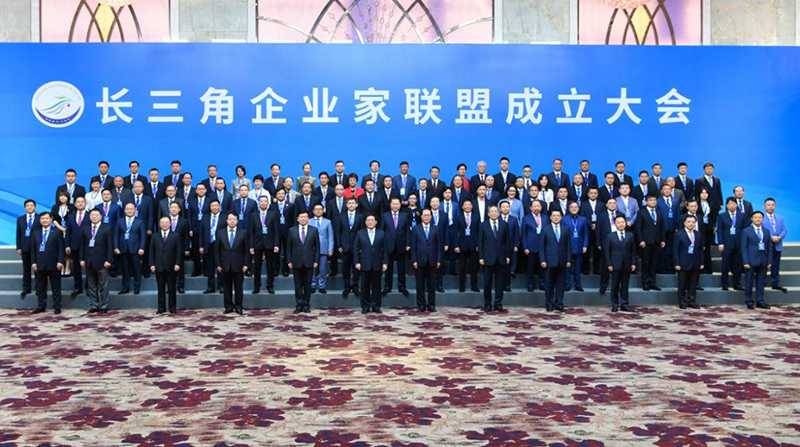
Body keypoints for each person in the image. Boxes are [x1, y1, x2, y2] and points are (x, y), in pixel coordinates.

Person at [215, 213, 251, 315]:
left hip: (239, 264)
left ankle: (239, 306)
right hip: (224, 264)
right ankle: (228, 306)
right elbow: (216, 251)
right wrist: (218, 264)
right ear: (226, 220)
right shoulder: (220, 232)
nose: (232, 221)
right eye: (230, 219)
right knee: (227, 287)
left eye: (234, 219)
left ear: (237, 221)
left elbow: (247, 251)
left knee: (239, 287)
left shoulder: (243, 232)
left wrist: (246, 264)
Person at [81, 209, 114, 314]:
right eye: (92, 215)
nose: (94, 217)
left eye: (96, 215)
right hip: (88, 261)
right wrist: (81, 259)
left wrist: (109, 260)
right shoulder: (85, 228)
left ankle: (104, 306)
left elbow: (110, 246)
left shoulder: (107, 228)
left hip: (102, 261)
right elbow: (82, 245)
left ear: (101, 216)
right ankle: (94, 305)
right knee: (91, 285)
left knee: (103, 285)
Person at [30, 212, 64, 314]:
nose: (44, 220)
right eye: (42, 219)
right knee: (41, 287)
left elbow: (61, 248)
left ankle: (57, 306)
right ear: (40, 220)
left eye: (46, 218)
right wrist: (33, 262)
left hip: (54, 263)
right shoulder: (35, 232)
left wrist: (60, 261)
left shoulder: (57, 232)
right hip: (40, 263)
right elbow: (33, 249)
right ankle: (41, 306)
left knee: (56, 287)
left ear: (51, 220)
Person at [354, 215, 389, 313]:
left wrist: (385, 263)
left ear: (376, 222)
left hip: (377, 263)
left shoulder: (381, 233)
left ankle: (376, 306)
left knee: (377, 286)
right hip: (364, 263)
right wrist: (357, 262)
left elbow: (385, 249)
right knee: (364, 287)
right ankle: (365, 306)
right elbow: (356, 248)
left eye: (372, 220)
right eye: (368, 220)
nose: (370, 222)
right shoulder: (360, 233)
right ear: (365, 222)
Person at [478, 206, 510, 312]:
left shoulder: (504, 225)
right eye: (492, 212)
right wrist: (481, 257)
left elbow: (507, 242)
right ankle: (487, 303)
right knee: (487, 282)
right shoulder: (483, 225)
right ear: (488, 214)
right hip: (488, 257)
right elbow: (480, 242)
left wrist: (507, 256)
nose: (494, 213)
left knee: (500, 282)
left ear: (499, 213)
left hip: (501, 257)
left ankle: (498, 303)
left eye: (496, 211)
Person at [286, 211, 319, 313]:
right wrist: (289, 261)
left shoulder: (314, 230)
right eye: (301, 217)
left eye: (305, 217)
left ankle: (306, 305)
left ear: (308, 219)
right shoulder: (292, 230)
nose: (303, 219)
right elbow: (288, 247)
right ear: (297, 219)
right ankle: (299, 305)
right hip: (296, 262)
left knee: (307, 285)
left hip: (309, 261)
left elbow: (317, 247)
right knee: (298, 285)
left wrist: (316, 260)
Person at [410, 209, 442, 312]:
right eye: (425, 215)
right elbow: (413, 246)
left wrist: (438, 260)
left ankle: (431, 304)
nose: (427, 217)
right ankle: (421, 305)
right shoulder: (416, 229)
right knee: (420, 285)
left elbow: (439, 246)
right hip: (419, 260)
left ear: (431, 217)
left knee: (432, 285)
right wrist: (414, 260)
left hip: (432, 260)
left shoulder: (436, 228)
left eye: (428, 215)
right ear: (421, 217)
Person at [604, 215, 637, 312]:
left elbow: (633, 251)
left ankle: (624, 304)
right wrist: (609, 264)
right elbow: (607, 252)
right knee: (615, 285)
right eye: (619, 222)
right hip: (615, 264)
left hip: (627, 264)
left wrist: (633, 263)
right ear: (615, 224)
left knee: (625, 285)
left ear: (625, 223)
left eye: (623, 222)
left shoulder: (630, 235)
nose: (621, 224)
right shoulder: (610, 236)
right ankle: (614, 304)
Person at [150, 216, 182, 314]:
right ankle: (161, 307)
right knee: (160, 289)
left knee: (172, 288)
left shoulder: (175, 235)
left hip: (171, 266)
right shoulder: (155, 236)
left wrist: (177, 263)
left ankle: (172, 307)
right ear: (159, 224)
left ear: (170, 224)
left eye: (166, 222)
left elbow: (179, 251)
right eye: (162, 222)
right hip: (159, 266)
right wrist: (151, 264)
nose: (164, 224)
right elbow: (151, 251)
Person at [741, 211, 773, 310]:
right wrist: (745, 261)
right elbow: (743, 248)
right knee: (749, 282)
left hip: (763, 260)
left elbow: (769, 247)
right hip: (750, 261)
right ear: (752, 219)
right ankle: (749, 301)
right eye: (756, 217)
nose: (758, 219)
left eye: (760, 217)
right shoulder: (746, 231)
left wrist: (769, 260)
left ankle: (760, 301)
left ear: (763, 219)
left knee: (761, 282)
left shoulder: (766, 231)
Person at [541, 209, 571, 312]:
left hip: (562, 260)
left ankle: (559, 303)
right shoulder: (545, 229)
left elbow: (568, 246)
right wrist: (542, 260)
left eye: (558, 215)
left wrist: (568, 260)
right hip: (549, 261)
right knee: (549, 284)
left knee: (560, 284)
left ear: (561, 217)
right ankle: (549, 303)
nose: (556, 217)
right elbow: (542, 246)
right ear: (550, 217)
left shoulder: (565, 229)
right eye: (554, 215)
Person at [380, 198, 411, 296]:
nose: (395, 206)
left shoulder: (404, 215)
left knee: (402, 268)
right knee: (388, 268)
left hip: (401, 245)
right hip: (388, 245)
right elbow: (381, 232)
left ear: (400, 205)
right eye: (393, 204)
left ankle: (402, 287)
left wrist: (408, 244)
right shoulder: (385, 216)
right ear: (390, 205)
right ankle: (387, 287)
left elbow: (407, 231)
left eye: (397, 204)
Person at [634, 195, 665, 291]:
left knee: (654, 263)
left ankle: (652, 283)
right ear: (646, 202)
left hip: (656, 241)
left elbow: (662, 227)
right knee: (646, 263)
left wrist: (663, 239)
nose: (653, 202)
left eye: (654, 200)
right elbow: (638, 228)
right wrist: (640, 240)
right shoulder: (641, 213)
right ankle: (645, 283)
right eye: (651, 200)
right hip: (646, 242)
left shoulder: (659, 212)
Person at [250, 196, 280, 295]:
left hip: (270, 243)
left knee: (270, 266)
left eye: (265, 201)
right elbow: (251, 232)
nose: (263, 203)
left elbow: (276, 230)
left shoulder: (273, 214)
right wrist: (251, 246)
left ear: (268, 203)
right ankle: (256, 286)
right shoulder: (253, 215)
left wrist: (276, 244)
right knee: (257, 266)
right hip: (257, 243)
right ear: (259, 203)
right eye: (261, 201)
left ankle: (270, 286)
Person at [673, 215, 704, 309]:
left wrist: (702, 262)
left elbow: (701, 250)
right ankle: (682, 301)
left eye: (693, 222)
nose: (691, 224)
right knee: (682, 284)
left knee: (693, 284)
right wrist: (677, 263)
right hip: (683, 263)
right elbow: (675, 250)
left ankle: (691, 301)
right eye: (689, 222)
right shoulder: (679, 234)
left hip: (695, 262)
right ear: (684, 223)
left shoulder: (698, 234)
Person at [115, 203, 146, 295]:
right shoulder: (119, 221)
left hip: (135, 248)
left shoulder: (140, 221)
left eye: (131, 209)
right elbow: (116, 235)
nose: (129, 211)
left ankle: (137, 287)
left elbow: (143, 236)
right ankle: (125, 287)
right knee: (125, 270)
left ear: (135, 210)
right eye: (127, 209)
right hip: (123, 248)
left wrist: (142, 247)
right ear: (124, 210)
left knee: (137, 269)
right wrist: (116, 247)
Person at [717, 197, 746, 291]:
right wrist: (720, 243)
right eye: (730, 204)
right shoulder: (722, 216)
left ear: (737, 205)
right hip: (726, 244)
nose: (732, 205)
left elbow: (744, 230)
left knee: (737, 265)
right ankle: (725, 284)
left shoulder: (742, 215)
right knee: (725, 265)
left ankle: (737, 284)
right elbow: (719, 230)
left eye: (734, 204)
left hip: (739, 243)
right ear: (726, 205)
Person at [338, 198, 363, 298]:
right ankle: (347, 287)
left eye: (353, 203)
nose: (351, 205)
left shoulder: (360, 217)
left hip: (357, 246)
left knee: (356, 268)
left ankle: (355, 286)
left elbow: (362, 232)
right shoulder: (341, 216)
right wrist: (339, 245)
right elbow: (338, 232)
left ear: (356, 205)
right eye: (349, 203)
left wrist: (361, 246)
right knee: (346, 268)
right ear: (346, 205)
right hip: (345, 246)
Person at [596, 197, 623, 295]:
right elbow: (598, 230)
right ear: (606, 205)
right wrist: (598, 243)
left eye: (614, 203)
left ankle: (617, 286)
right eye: (610, 203)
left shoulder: (620, 215)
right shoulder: (601, 215)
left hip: (618, 243)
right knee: (605, 266)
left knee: (618, 266)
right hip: (606, 243)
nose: (612, 205)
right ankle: (603, 286)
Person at [454, 200, 480, 293]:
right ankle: (462, 286)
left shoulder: (476, 217)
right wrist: (456, 245)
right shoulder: (458, 217)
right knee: (462, 267)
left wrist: (478, 245)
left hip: (473, 245)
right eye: (466, 205)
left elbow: (479, 232)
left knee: (474, 267)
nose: (467, 206)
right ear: (462, 207)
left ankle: (474, 286)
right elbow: (455, 232)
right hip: (462, 245)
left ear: (472, 206)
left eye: (469, 205)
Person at [521, 199, 548, 292]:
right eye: (534, 206)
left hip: (543, 246)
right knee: (530, 267)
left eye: (538, 206)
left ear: (541, 207)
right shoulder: (526, 218)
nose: (536, 208)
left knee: (542, 267)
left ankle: (542, 284)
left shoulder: (545, 218)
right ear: (531, 208)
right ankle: (530, 284)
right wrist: (525, 247)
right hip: (531, 247)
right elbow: (523, 234)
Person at [64, 196, 88, 298]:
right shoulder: (70, 217)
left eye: (82, 202)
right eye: (78, 202)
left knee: (88, 268)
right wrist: (67, 245)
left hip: (87, 246)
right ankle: (78, 287)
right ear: (75, 204)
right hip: (74, 246)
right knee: (76, 268)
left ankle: (88, 287)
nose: (80, 203)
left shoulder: (90, 215)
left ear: (85, 203)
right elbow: (68, 232)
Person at [16, 200, 40, 298]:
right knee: (26, 269)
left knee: (38, 269)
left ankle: (39, 288)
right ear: (25, 207)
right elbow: (18, 234)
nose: (29, 207)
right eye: (27, 205)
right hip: (25, 247)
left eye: (31, 205)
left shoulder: (40, 218)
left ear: (35, 207)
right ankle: (26, 288)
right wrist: (19, 247)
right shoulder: (20, 219)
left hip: (37, 247)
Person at [763, 198, 788, 293]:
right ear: (764, 206)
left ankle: (775, 283)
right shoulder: (761, 217)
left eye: (772, 205)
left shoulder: (780, 218)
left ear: (775, 206)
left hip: (777, 245)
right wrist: (771, 237)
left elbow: (784, 230)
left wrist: (779, 237)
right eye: (768, 205)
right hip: (765, 246)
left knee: (776, 266)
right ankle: (762, 283)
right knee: (764, 266)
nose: (771, 207)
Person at [579, 187, 604, 275]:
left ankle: (596, 269)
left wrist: (597, 225)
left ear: (597, 194)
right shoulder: (583, 204)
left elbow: (603, 216)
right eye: (591, 193)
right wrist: (591, 224)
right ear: (588, 194)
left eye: (595, 193)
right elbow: (582, 216)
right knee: (586, 251)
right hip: (587, 230)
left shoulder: (601, 204)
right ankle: (585, 269)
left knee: (597, 251)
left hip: (598, 230)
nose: (593, 195)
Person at [188, 183, 211, 277]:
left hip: (207, 228)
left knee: (206, 250)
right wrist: (190, 228)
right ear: (196, 191)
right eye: (199, 189)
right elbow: (189, 215)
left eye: (202, 189)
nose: (201, 190)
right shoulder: (192, 201)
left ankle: (206, 270)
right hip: (195, 228)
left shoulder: (210, 200)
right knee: (195, 250)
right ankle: (197, 270)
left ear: (205, 190)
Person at [564, 201, 589, 292]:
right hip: (567, 246)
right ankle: (567, 284)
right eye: (572, 207)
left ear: (578, 209)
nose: (574, 209)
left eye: (576, 207)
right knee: (567, 267)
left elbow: (586, 234)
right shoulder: (564, 219)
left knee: (578, 268)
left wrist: (585, 245)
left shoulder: (583, 219)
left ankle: (577, 284)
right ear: (569, 209)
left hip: (579, 246)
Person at [200, 200, 222, 294]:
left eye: (216, 206)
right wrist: (201, 245)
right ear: (210, 207)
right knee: (209, 267)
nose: (214, 207)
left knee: (220, 267)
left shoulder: (224, 217)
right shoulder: (205, 217)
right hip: (208, 245)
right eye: (212, 206)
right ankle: (210, 286)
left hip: (220, 246)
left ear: (219, 206)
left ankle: (221, 286)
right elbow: (201, 232)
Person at [167, 202, 190, 294]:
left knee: (180, 268)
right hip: (168, 248)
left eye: (175, 208)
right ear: (169, 209)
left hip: (180, 248)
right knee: (168, 269)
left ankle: (180, 286)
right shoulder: (165, 220)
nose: (173, 209)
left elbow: (186, 236)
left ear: (179, 210)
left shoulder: (184, 221)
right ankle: (170, 287)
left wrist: (187, 248)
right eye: (172, 207)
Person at [657, 184, 681, 274]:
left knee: (671, 248)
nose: (667, 191)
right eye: (665, 189)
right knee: (662, 249)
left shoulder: (676, 201)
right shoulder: (658, 201)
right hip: (662, 229)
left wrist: (677, 227)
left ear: (671, 190)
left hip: (673, 228)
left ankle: (671, 267)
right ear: (661, 191)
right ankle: (662, 268)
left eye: (668, 189)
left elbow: (678, 215)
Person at [310, 204, 334, 294]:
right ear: (313, 211)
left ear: (323, 210)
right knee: (312, 268)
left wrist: (330, 249)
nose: (318, 211)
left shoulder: (328, 222)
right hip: (311, 249)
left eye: (320, 209)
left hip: (324, 248)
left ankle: (322, 286)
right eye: (316, 209)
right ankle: (312, 285)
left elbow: (330, 236)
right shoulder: (309, 221)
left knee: (323, 269)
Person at [271, 189, 294, 277]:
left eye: (282, 193)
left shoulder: (291, 205)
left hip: (288, 231)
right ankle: (275, 269)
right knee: (276, 251)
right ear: (276, 195)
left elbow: (293, 219)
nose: (281, 195)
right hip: (275, 231)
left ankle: (285, 269)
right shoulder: (272, 206)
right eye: (279, 194)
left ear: (285, 195)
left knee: (287, 250)